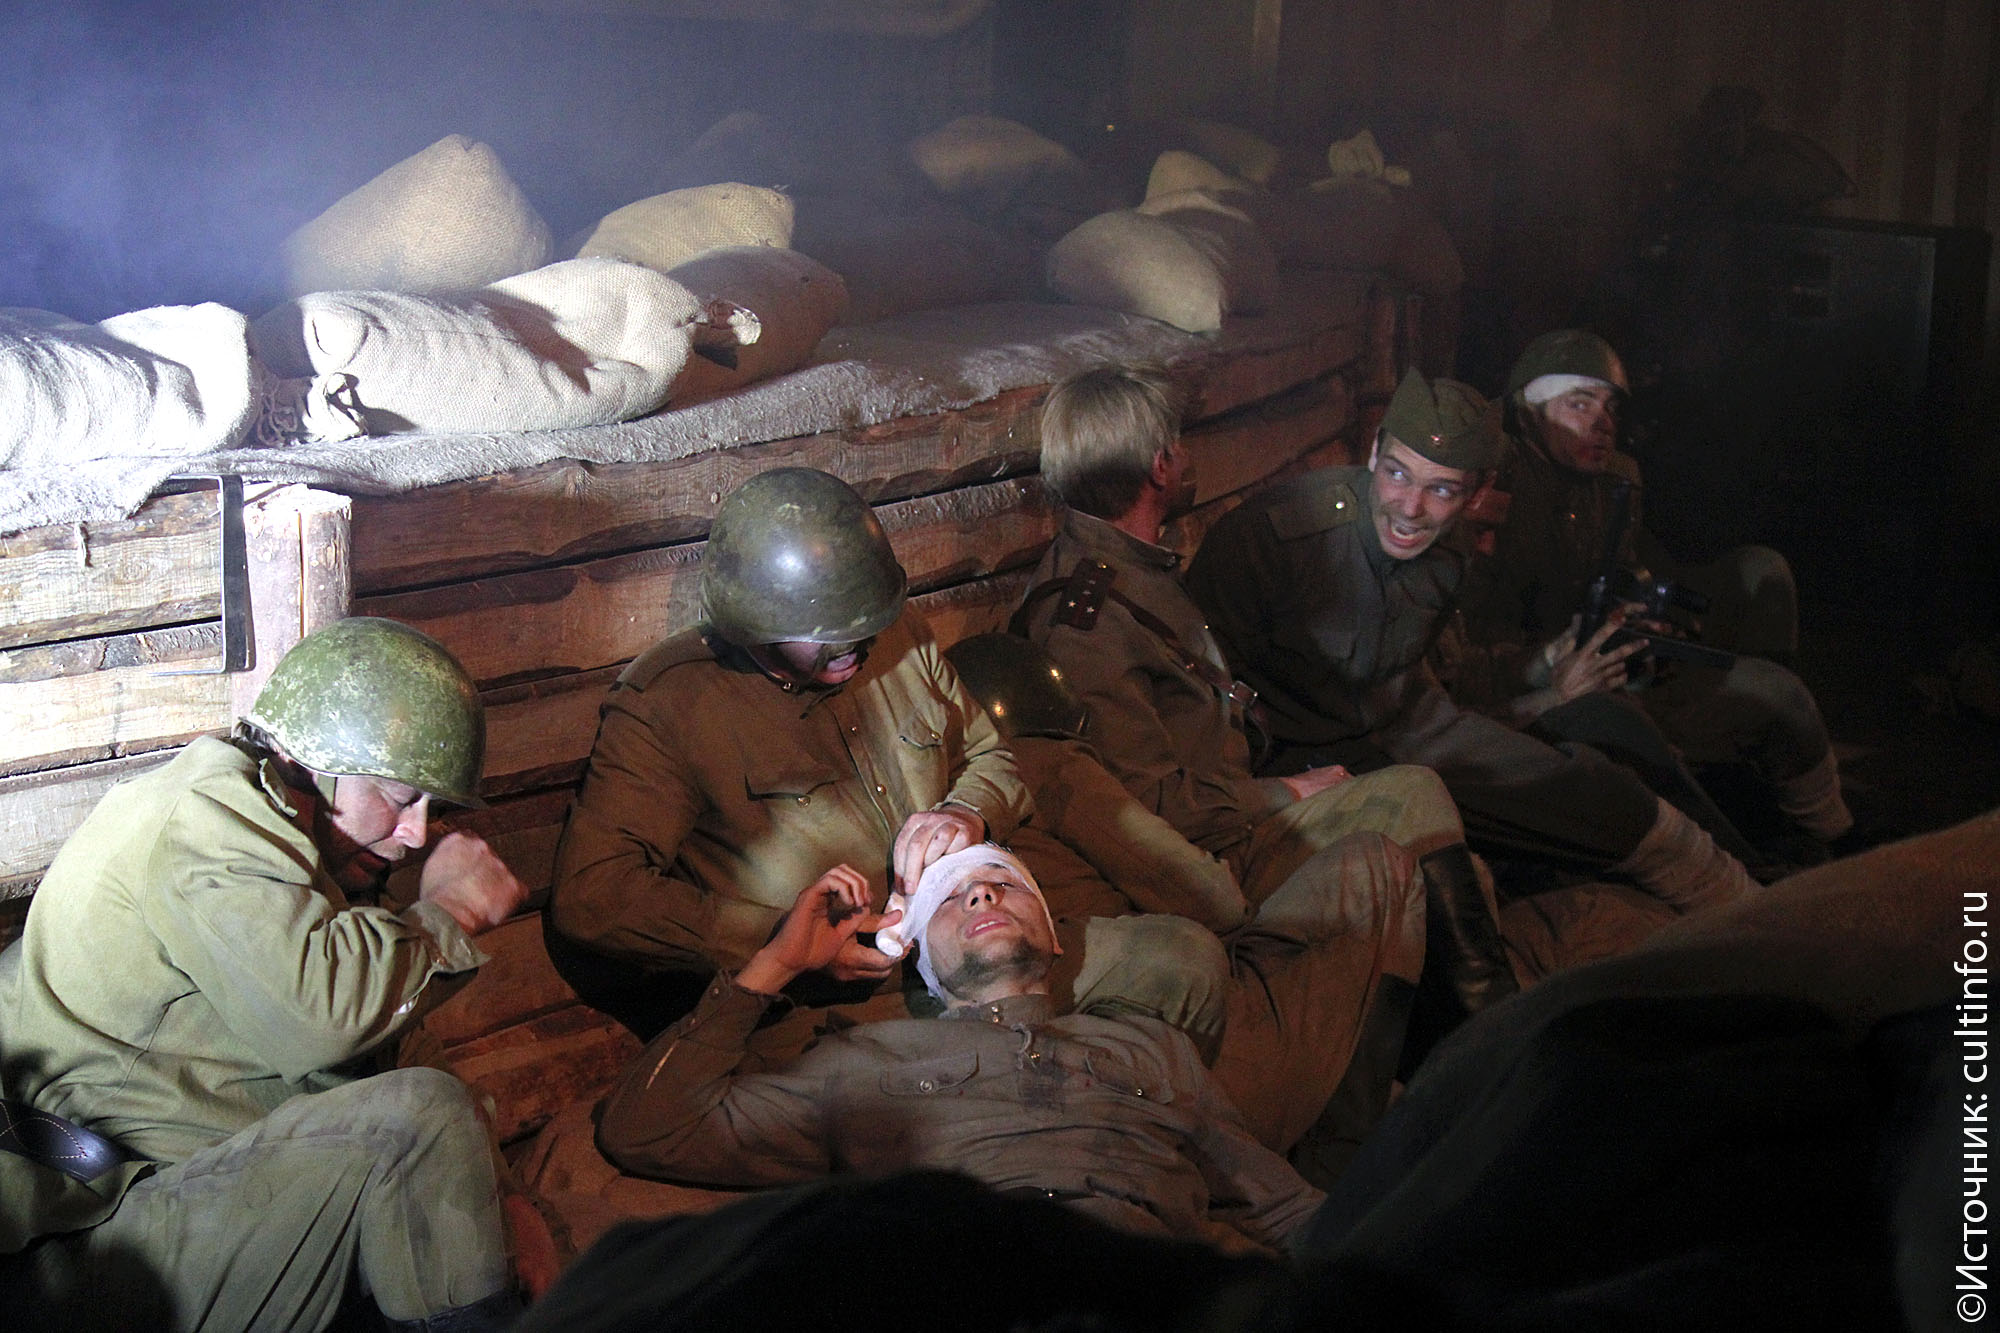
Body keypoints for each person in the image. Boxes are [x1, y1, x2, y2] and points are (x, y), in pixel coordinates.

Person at [546, 466, 1231, 1059]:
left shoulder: (893, 632)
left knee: (1186, 962)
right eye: (830, 635)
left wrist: (967, 811)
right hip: (847, 1002)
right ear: (756, 621)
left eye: (866, 623)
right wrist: (785, 941)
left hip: (969, 944)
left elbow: (991, 755)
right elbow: (594, 896)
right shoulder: (670, 706)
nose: (858, 647)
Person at [1, 617, 532, 1332]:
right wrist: (451, 911)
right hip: (81, 1241)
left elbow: (383, 1055)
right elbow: (326, 1018)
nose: (415, 833)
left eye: (430, 809)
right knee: (415, 1126)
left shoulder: (297, 845)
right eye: (398, 796)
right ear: (312, 760)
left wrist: (506, 1198)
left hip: (165, 1198)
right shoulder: (209, 817)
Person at [1012, 363, 1514, 1027]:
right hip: (1208, 859)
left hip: (1232, 809)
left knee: (1445, 855)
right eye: (1179, 447)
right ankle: (1497, 1034)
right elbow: (1151, 807)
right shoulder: (1089, 620)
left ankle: (1470, 1031)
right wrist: (1288, 793)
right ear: (1161, 466)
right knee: (1411, 803)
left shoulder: (1136, 569)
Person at [1183, 365, 1755, 924]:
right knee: (1454, 887)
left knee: (1600, 792)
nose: (1410, 508)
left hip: (1404, 733)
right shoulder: (1278, 537)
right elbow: (1197, 693)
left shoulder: (1451, 549)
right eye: (1398, 474)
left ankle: (1742, 904)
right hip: (1290, 759)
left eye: (1440, 489)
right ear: (1375, 453)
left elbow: (1429, 684)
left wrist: (1540, 679)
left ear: (1477, 493)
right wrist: (1270, 792)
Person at [593, 844, 1329, 1252]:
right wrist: (778, 962)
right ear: (919, 959)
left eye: (1004, 883)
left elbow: (1285, 1208)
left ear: (1055, 939)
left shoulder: (1151, 1047)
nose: (981, 895)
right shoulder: (861, 1060)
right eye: (950, 896)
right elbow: (650, 1126)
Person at [946, 631, 1426, 1178]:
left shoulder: (942, 821)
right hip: (1196, 1063)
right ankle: (1342, 1157)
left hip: (1076, 1071)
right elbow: (1210, 900)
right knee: (1376, 862)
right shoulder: (1043, 761)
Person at [1454, 327, 1851, 852]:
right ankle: (1744, 853)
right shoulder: (1489, 488)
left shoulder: (1614, 481)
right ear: (1530, 414)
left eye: (1610, 408)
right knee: (1757, 702)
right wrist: (1550, 665)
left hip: (1611, 660)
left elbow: (1626, 567)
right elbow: (1466, 655)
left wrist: (1639, 611)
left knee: (1774, 651)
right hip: (1539, 690)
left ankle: (1828, 831)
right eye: (1579, 404)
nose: (1603, 423)